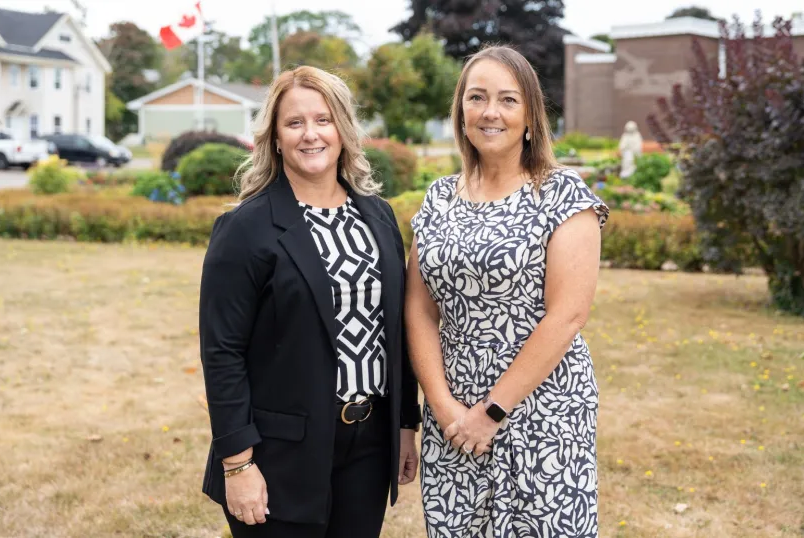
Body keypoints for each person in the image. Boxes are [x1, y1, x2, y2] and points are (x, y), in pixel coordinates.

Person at [198, 65, 421, 538]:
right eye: (294, 123)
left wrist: (404, 424)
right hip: (279, 454)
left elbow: (395, 330)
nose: (310, 134)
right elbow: (222, 354)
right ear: (274, 138)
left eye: (323, 120)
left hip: (368, 447)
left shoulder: (378, 217)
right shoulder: (246, 228)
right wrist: (238, 465)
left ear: (343, 129)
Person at [406, 46, 609, 537]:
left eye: (507, 100)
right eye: (477, 98)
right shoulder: (438, 197)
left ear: (530, 117)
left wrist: (493, 411)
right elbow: (417, 309)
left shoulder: (563, 194)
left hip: (542, 410)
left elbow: (567, 316)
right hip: (453, 420)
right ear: (460, 112)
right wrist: (441, 405)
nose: (490, 112)